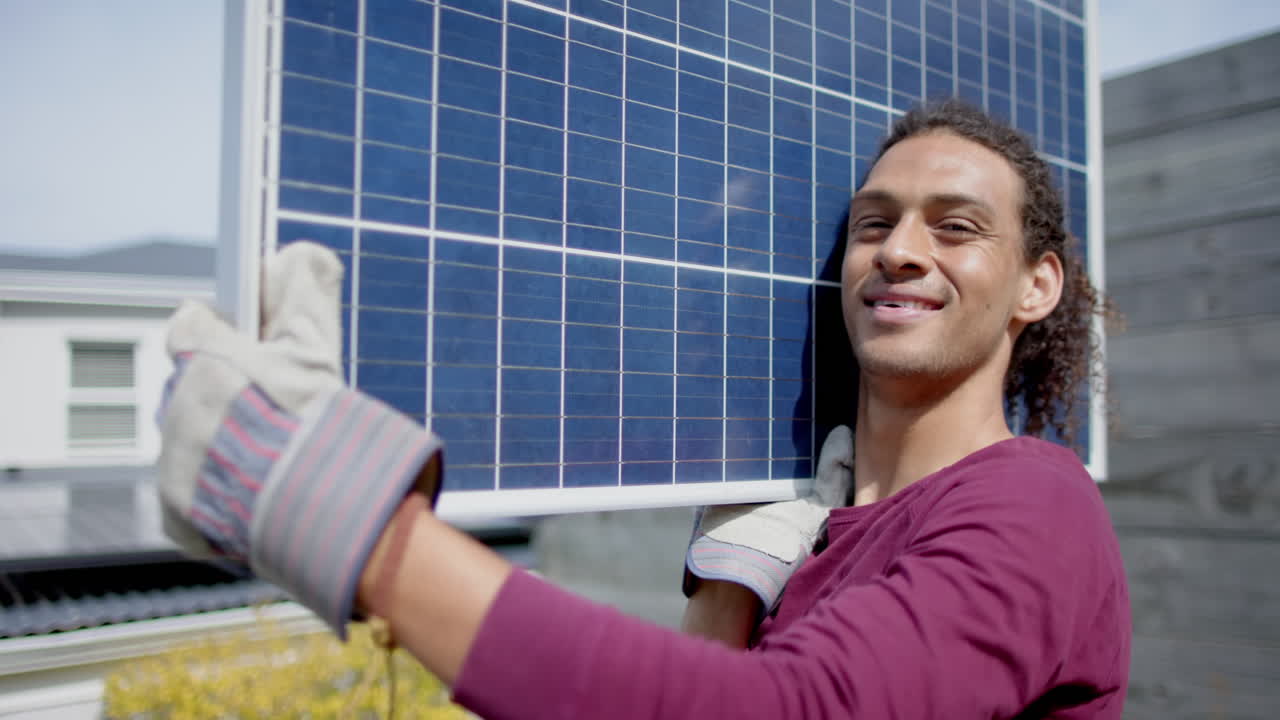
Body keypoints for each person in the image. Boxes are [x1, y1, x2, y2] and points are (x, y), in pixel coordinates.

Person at [156, 99, 1130, 718]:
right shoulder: (821, 535)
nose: (900, 250)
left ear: (1035, 286)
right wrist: (732, 596)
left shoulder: (1035, 507)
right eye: (873, 223)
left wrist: (333, 513)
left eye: (954, 228)